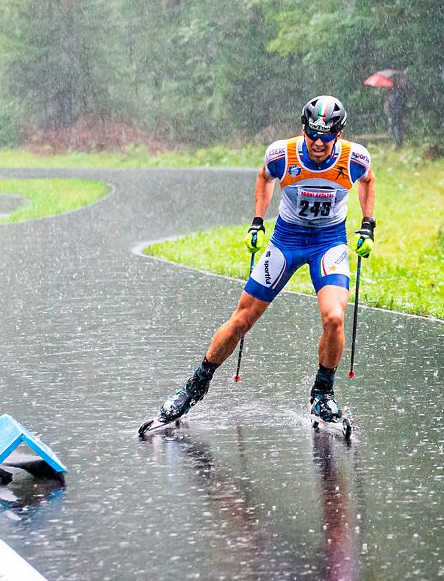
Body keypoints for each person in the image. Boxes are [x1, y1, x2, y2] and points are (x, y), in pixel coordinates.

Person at [148, 95, 376, 426]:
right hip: (286, 240)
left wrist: (367, 226)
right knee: (242, 320)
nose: (317, 143)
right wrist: (258, 220)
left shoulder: (354, 158)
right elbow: (264, 176)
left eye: (325, 138)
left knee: (334, 319)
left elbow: (368, 181)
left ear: (338, 136)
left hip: (329, 242)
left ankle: (323, 395)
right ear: (303, 129)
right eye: (312, 135)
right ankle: (193, 388)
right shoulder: (282, 153)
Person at [383, 71, 407, 148]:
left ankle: (398, 143)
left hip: (397, 112)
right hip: (393, 112)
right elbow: (388, 102)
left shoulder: (399, 90)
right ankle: (396, 143)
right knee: (393, 127)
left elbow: (400, 102)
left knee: (397, 127)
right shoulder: (391, 91)